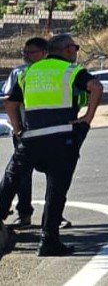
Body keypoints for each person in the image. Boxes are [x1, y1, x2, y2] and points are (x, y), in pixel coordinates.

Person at [0, 34, 103, 256]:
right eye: (75, 47)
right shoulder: (71, 70)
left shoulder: (29, 71)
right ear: (66, 50)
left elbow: (9, 102)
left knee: (11, 179)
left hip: (31, 137)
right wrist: (88, 117)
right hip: (61, 136)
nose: (76, 52)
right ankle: (49, 240)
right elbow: (96, 86)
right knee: (56, 189)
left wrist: (18, 128)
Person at [1, 38, 48, 228]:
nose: (27, 56)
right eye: (25, 53)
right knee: (21, 175)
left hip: (51, 131)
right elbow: (8, 98)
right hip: (25, 131)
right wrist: (18, 128)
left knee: (56, 176)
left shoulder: (54, 72)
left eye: (32, 52)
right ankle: (24, 214)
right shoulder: (19, 73)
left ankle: (54, 216)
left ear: (45, 52)